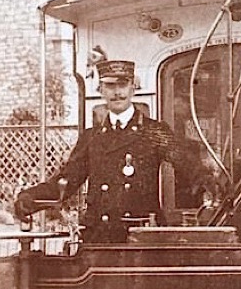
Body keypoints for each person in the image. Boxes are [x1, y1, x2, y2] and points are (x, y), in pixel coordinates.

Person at [14, 59, 215, 243]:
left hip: (139, 238)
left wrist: (209, 183)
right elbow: (65, 182)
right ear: (101, 90)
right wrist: (29, 199)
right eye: (110, 86)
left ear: (133, 88)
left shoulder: (154, 131)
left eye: (123, 85)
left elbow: (186, 163)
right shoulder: (91, 137)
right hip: (99, 236)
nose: (117, 92)